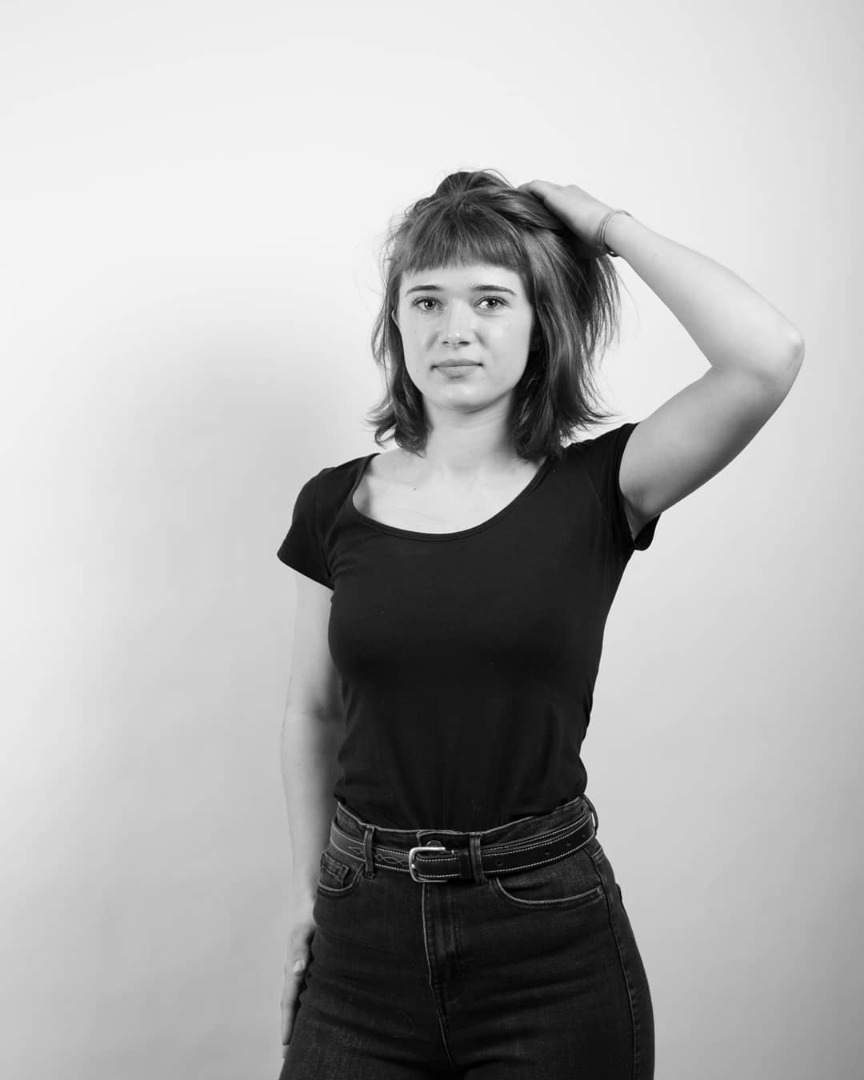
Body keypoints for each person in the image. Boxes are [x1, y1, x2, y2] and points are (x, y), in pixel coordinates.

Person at [274, 170, 804, 1079]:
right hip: (361, 934)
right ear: (396, 323)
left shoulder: (602, 488)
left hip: (546, 943)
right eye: (427, 300)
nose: (455, 329)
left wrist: (606, 224)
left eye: (490, 299)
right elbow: (312, 713)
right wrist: (310, 901)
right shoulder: (334, 503)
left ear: (539, 323)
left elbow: (768, 354)